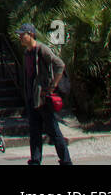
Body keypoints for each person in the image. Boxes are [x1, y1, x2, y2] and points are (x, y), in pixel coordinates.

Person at [17, 23, 72, 166]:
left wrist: (52, 86)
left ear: (31, 34)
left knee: (53, 130)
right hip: (31, 98)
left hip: (43, 98)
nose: (20, 37)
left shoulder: (41, 49)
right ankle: (35, 160)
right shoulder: (26, 53)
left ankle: (66, 161)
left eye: (23, 34)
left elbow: (59, 64)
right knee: (34, 131)